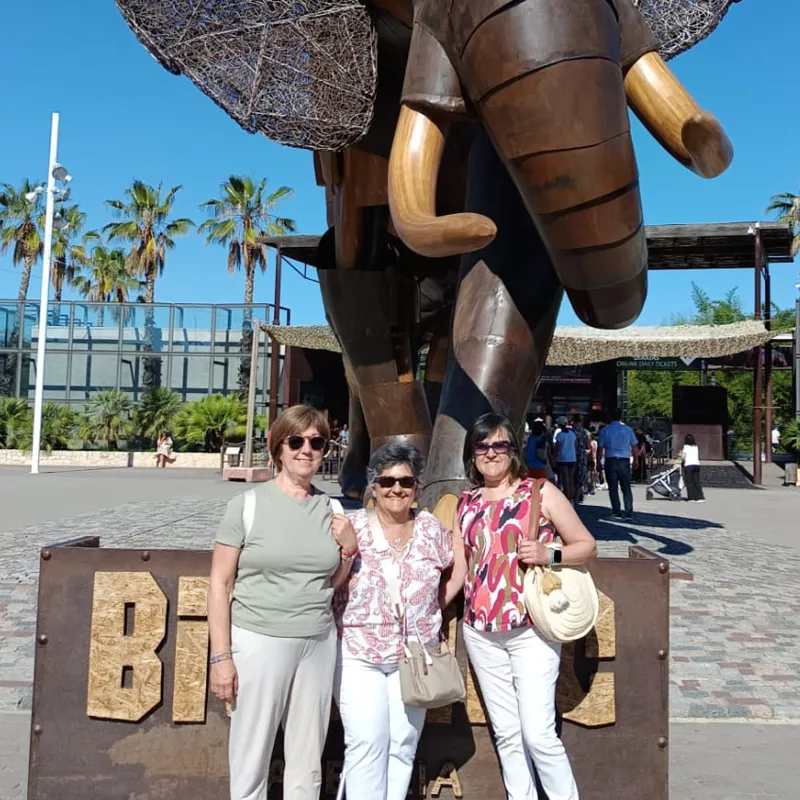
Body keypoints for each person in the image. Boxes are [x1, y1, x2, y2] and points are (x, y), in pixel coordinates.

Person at [208, 404, 358, 800]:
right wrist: (221, 658)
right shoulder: (247, 505)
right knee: (251, 755)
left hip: (317, 643)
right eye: (296, 441)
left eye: (317, 443)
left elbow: (331, 583)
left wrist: (348, 551)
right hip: (260, 639)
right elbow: (220, 584)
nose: (306, 450)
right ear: (279, 448)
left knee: (308, 761)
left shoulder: (332, 510)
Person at [452, 412, 596, 800]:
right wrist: (428, 608)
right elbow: (461, 568)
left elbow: (586, 546)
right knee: (506, 733)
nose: (491, 453)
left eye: (500, 445)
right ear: (471, 454)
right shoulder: (466, 503)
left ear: (513, 450)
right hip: (480, 630)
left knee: (537, 733)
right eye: (482, 446)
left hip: (530, 627)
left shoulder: (540, 492)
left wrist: (549, 554)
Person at [333, 442, 462, 799]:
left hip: (414, 655)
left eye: (406, 482)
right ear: (373, 487)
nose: (396, 489)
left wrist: (434, 607)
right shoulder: (352, 527)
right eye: (387, 481)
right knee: (366, 742)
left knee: (403, 744)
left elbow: (456, 567)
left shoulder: (430, 528)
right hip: (358, 652)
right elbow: (330, 580)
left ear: (416, 488)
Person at [596, 409, 638, 520]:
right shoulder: (627, 429)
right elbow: (634, 446)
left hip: (610, 459)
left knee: (613, 487)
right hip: (624, 459)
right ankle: (628, 512)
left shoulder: (605, 430)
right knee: (626, 487)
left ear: (610, 417)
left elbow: (600, 448)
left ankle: (616, 511)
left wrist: (598, 462)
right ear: (621, 417)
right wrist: (636, 460)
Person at [555, 417, 577, 503]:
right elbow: (575, 445)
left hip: (563, 459)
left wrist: (555, 457)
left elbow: (557, 448)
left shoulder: (560, 435)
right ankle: (572, 497)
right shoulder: (572, 434)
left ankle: (568, 497)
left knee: (565, 479)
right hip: (572, 458)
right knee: (571, 479)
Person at [681, 433, 705, 503]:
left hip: (689, 465)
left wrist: (679, 462)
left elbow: (683, 457)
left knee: (690, 482)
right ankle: (700, 497)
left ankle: (691, 497)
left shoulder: (685, 447)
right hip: (696, 465)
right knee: (696, 481)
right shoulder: (696, 447)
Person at [572, 415, 589, 503]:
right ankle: (578, 496)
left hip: (572, 455)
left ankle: (572, 496)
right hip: (582, 455)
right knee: (580, 477)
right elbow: (587, 445)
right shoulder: (585, 432)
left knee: (572, 476)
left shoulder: (571, 431)